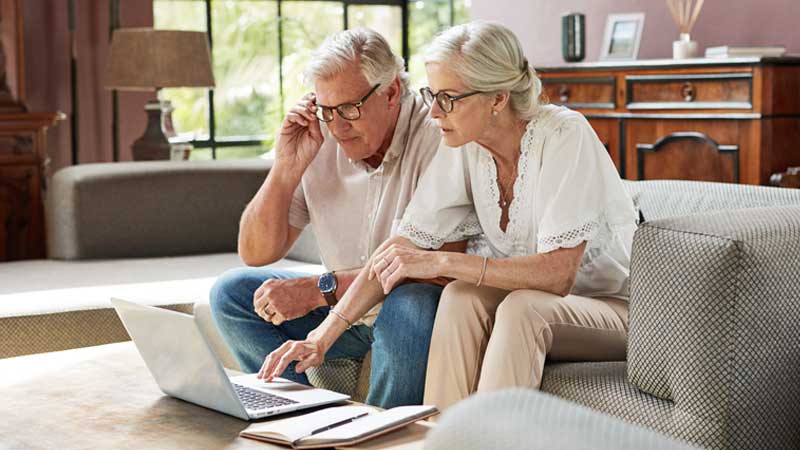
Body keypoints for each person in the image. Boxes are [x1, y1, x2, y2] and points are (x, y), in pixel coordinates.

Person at [255, 21, 637, 413]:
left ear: (498, 98)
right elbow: (399, 250)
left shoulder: (564, 135)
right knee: (460, 295)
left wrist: (441, 260)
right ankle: (438, 437)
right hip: (540, 302)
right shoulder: (465, 145)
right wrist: (321, 336)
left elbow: (559, 275)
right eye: (431, 95)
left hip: (614, 309)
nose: (434, 112)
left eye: (448, 98)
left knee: (522, 309)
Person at [209, 28, 455, 408]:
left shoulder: (437, 136)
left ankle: (378, 436)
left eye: (349, 110)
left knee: (413, 301)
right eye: (327, 110)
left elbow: (433, 265)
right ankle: (302, 418)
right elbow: (256, 253)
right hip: (340, 314)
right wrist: (285, 167)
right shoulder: (320, 133)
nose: (337, 127)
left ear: (391, 93)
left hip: (409, 317)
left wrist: (317, 289)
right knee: (232, 293)